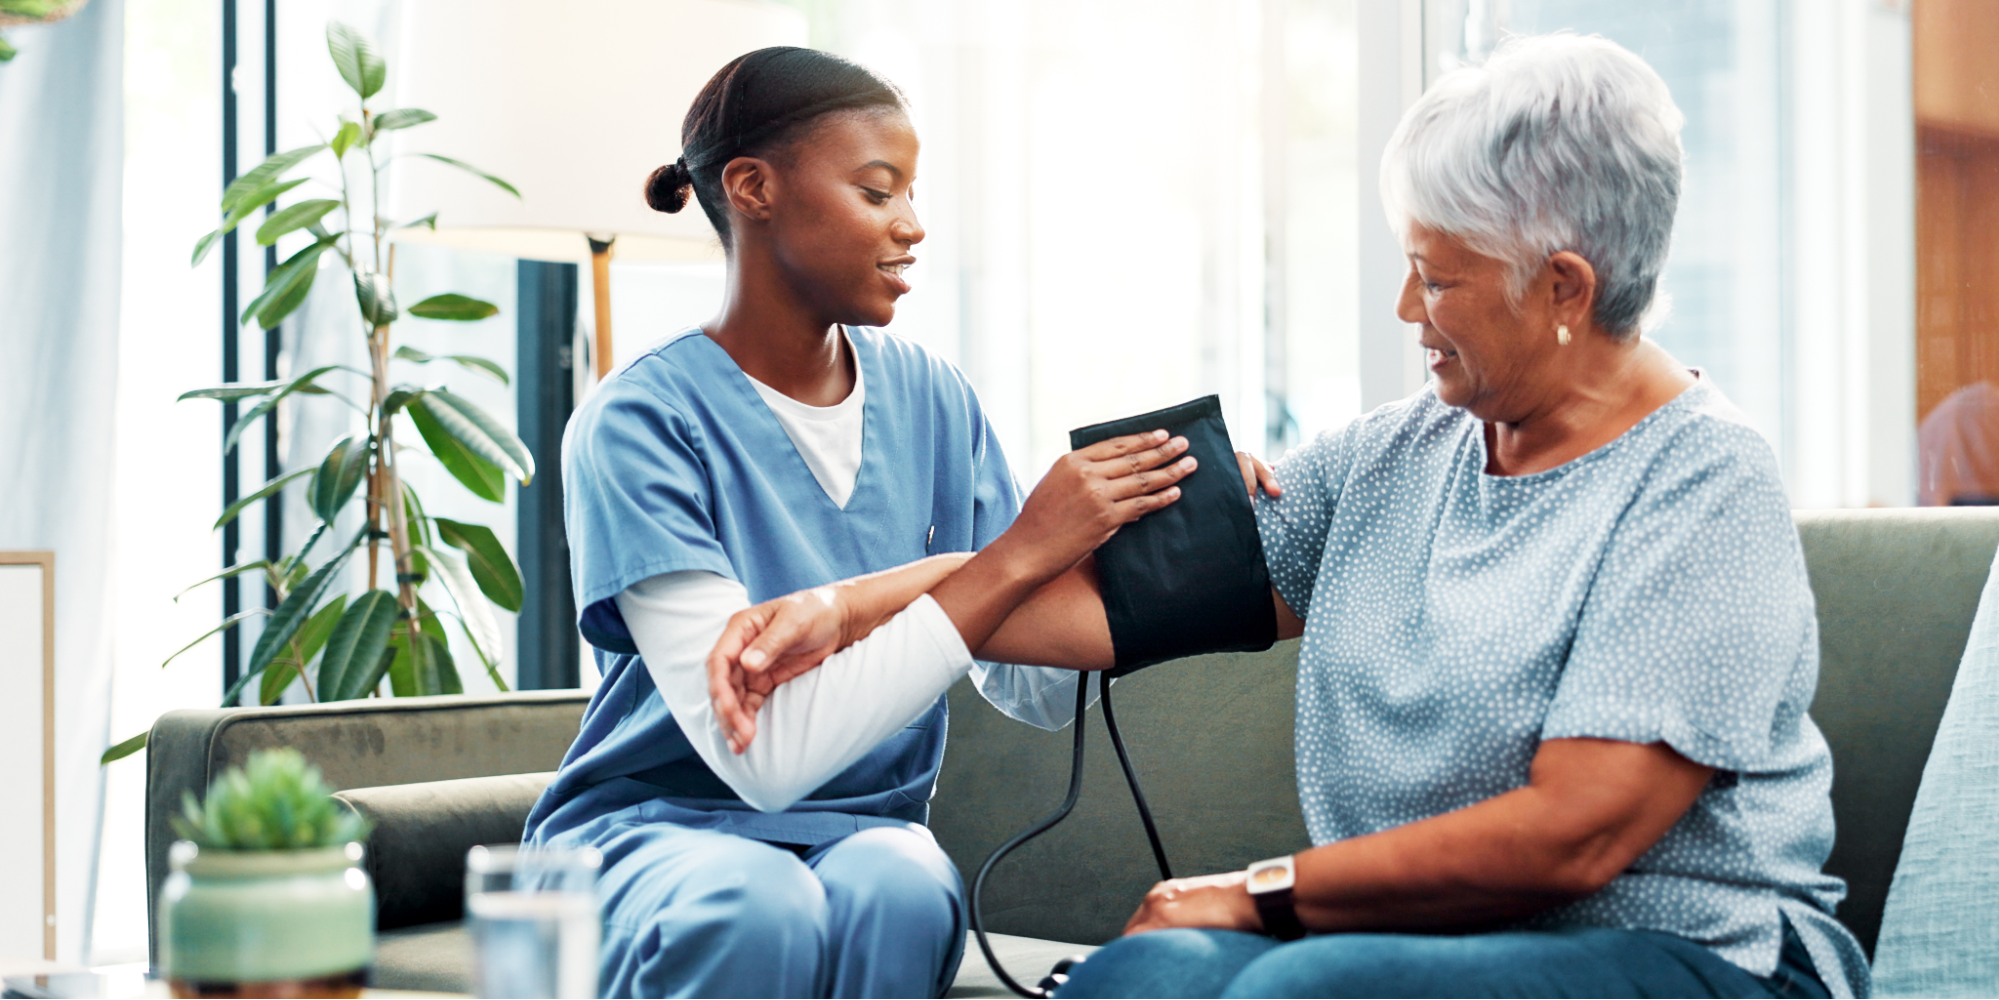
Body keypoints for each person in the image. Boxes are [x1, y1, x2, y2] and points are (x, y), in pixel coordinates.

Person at [709, 34, 1869, 1000]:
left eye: (1440, 274)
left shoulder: (1699, 486)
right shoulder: (1395, 455)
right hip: (1416, 951)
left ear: (1562, 287)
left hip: (1691, 957)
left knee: (1286, 993)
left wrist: (1258, 890)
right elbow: (1094, 608)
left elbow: (1575, 833)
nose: (1407, 306)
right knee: (1137, 978)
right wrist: (844, 605)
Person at [520, 47, 1196, 1000]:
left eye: (913, 194)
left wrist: (1157, 533)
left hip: (862, 832)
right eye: (879, 193)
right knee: (752, 901)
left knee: (905, 887)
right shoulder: (638, 424)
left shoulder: (933, 399)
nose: (913, 227)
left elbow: (1032, 685)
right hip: (651, 830)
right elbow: (764, 758)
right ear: (752, 188)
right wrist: (1011, 556)